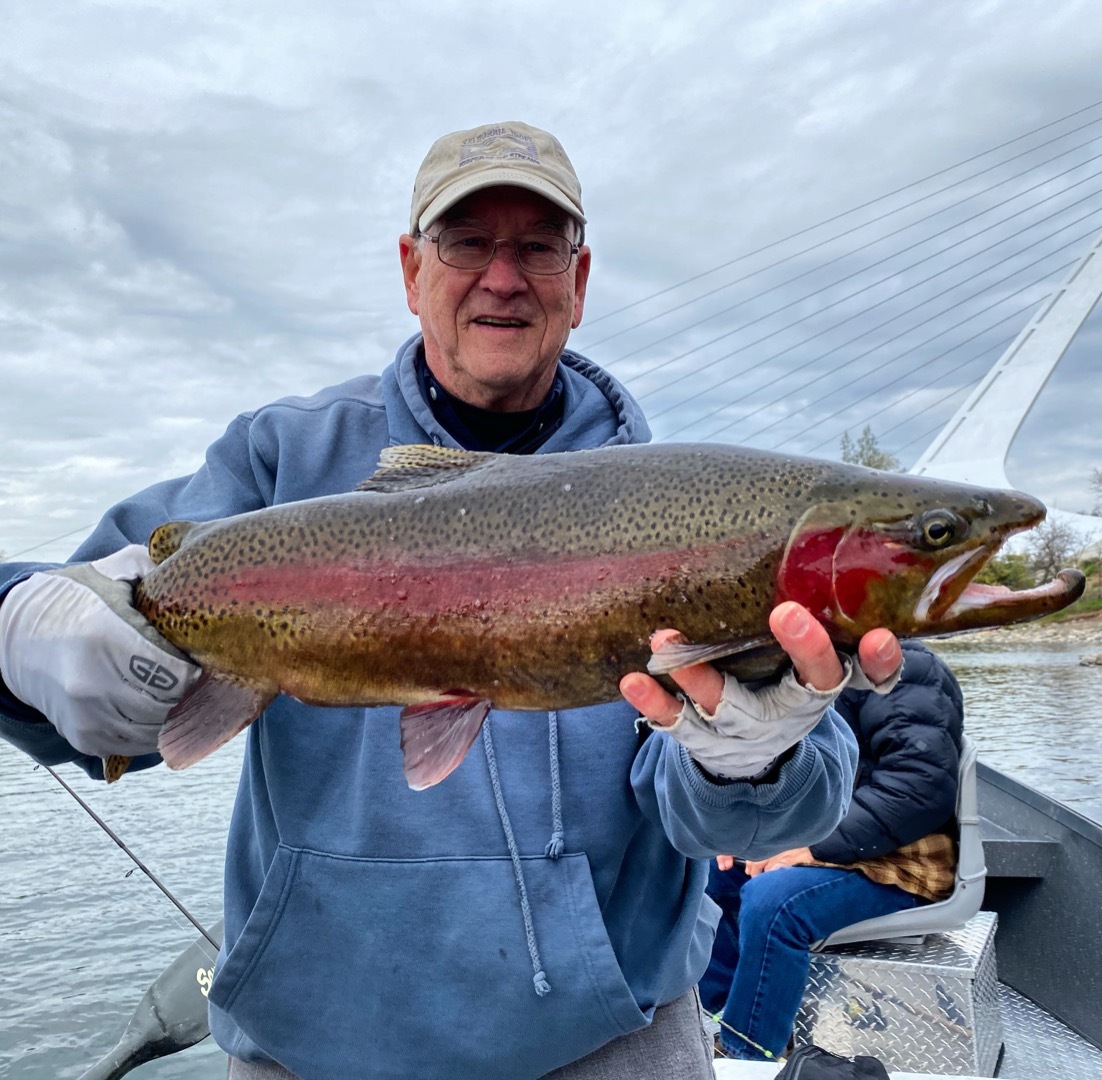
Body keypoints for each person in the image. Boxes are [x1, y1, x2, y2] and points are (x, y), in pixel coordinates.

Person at [0, 121, 902, 1080]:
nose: (503, 277)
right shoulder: (281, 463)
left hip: (615, 1037)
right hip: (317, 1046)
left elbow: (735, 831)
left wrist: (751, 765)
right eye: (468, 242)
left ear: (580, 280)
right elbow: (83, 648)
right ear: (410, 267)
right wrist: (28, 637)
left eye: (537, 247)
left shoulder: (680, 509)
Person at [698, 639, 964, 1062]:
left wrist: (814, 845)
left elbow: (921, 790)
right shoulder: (804, 672)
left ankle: (746, 1054)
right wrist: (743, 830)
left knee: (773, 903)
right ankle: (702, 1016)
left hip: (902, 862)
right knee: (714, 876)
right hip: (836, 842)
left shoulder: (909, 670)